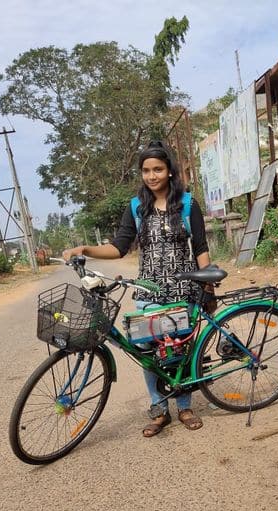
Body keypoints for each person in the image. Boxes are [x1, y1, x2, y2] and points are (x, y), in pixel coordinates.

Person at [63, 141, 210, 437]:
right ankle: (159, 408)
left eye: (158, 169)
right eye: (146, 170)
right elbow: (119, 247)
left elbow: (201, 247)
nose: (152, 175)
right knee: (147, 352)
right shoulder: (136, 207)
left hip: (184, 291)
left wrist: (208, 285)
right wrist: (86, 248)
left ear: (170, 171)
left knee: (181, 351)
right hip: (148, 292)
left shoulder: (188, 204)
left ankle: (184, 406)